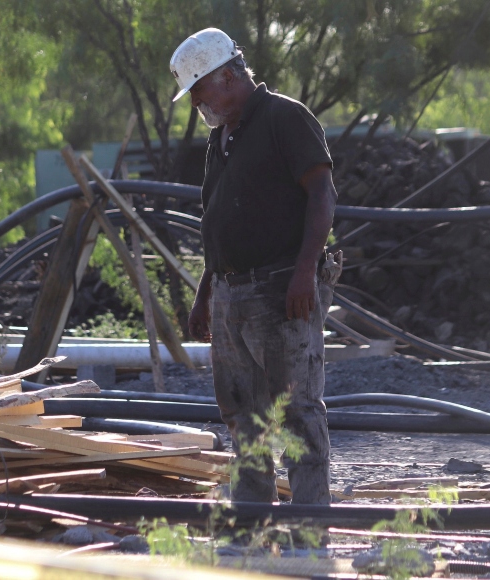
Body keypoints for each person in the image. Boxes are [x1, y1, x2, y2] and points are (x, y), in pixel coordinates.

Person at [171, 28, 341, 505]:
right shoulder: (221, 137)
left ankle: (310, 530)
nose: (196, 103)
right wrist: (206, 293)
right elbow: (217, 220)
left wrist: (305, 271)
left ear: (226, 77)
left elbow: (322, 196)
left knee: (295, 412)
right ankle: (251, 523)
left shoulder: (285, 118)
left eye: (199, 90)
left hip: (280, 288)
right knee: (242, 412)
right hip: (231, 294)